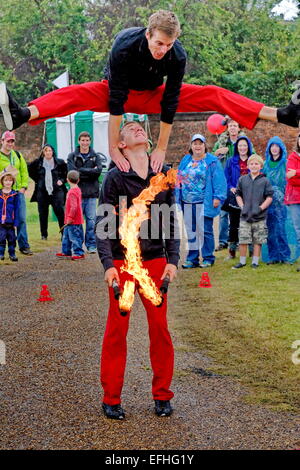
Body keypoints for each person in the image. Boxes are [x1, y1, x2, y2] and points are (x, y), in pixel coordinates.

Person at [1, 10, 300, 174]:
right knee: (78, 93)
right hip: (118, 92)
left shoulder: (177, 55)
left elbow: (170, 103)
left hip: (156, 95)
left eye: (168, 45)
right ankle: (23, 113)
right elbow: (116, 102)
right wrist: (115, 146)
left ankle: (283, 114)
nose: (162, 51)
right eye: (159, 44)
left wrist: (161, 148)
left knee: (212, 93)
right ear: (148, 34)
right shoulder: (124, 46)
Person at [95, 121, 179, 420]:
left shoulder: (162, 173)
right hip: (123, 264)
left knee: (160, 330)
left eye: (140, 126)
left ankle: (162, 395)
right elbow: (103, 225)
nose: (137, 128)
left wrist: (173, 259)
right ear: (121, 144)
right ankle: (112, 398)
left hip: (155, 263)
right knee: (117, 331)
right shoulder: (115, 178)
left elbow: (170, 220)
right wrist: (107, 265)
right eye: (129, 128)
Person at [176, 133, 226, 268]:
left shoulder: (211, 161)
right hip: (187, 201)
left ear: (205, 146)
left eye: (200, 143)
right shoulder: (186, 160)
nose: (197, 146)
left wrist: (218, 197)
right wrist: (177, 196)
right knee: (191, 231)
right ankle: (192, 259)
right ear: (191, 146)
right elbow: (178, 178)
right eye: (195, 143)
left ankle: (208, 257)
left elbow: (219, 180)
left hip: (204, 201)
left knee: (205, 230)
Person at [213, 119, 249, 251]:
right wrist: (218, 152)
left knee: (239, 212)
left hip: (240, 182)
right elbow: (212, 156)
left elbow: (253, 156)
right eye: (230, 126)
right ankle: (223, 241)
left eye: (235, 125)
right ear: (227, 128)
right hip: (223, 181)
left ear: (239, 128)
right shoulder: (221, 142)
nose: (233, 128)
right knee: (223, 213)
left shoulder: (244, 142)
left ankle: (239, 240)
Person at [232, 154, 273, 269]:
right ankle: (242, 261)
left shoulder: (265, 181)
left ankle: (255, 262)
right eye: (251, 164)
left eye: (256, 164)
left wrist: (260, 208)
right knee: (243, 239)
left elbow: (269, 197)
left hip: (259, 216)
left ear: (260, 166)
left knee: (257, 240)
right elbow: (238, 194)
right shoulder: (242, 179)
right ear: (248, 166)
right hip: (245, 216)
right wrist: (242, 206)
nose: (254, 166)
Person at [67, 131, 102, 254]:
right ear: (79, 141)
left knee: (91, 221)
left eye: (87, 140)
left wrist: (81, 171)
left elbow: (98, 172)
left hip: (92, 193)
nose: (85, 143)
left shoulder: (96, 156)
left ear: (90, 141)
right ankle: (77, 245)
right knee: (77, 221)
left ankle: (91, 244)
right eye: (83, 140)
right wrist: (90, 171)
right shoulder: (72, 156)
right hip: (77, 194)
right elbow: (73, 173)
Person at [0, 131, 32, 255]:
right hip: (3, 194)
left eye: (12, 141)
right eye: (8, 141)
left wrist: (24, 187)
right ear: (2, 141)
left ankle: (24, 246)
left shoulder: (17, 155)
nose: (10, 143)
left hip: (18, 193)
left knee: (21, 219)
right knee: (2, 221)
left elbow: (24, 172)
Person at [262, 136, 292, 264]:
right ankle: (273, 256)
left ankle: (284, 255)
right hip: (269, 202)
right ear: (269, 149)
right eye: (272, 146)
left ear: (281, 148)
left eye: (277, 146)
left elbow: (289, 181)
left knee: (281, 229)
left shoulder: (286, 163)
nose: (274, 149)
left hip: (282, 202)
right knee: (270, 229)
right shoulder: (266, 164)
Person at [28, 144, 67, 240]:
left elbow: (66, 173)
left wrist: (62, 180)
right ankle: (44, 235)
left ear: (53, 152)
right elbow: (29, 170)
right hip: (42, 192)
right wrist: (38, 180)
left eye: (50, 150)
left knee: (60, 212)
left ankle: (64, 233)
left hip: (57, 191)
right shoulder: (38, 163)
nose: (48, 152)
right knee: (43, 214)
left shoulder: (60, 162)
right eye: (46, 151)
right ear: (43, 152)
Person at [224, 136, 254, 259]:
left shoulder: (252, 160)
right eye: (240, 145)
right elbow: (226, 177)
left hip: (251, 196)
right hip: (235, 196)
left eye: (245, 145)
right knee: (234, 224)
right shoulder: (231, 161)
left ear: (248, 147)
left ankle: (252, 252)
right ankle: (232, 251)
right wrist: (230, 187)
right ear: (237, 147)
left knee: (251, 223)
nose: (242, 148)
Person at [56, 170, 85, 261]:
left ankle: (79, 253)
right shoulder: (77, 190)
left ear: (67, 180)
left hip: (73, 221)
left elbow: (74, 207)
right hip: (71, 221)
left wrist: (70, 217)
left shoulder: (72, 192)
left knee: (74, 237)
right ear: (78, 180)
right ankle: (66, 252)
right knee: (66, 237)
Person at [284, 133, 300, 271]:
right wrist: (293, 174)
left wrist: (297, 172)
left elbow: (295, 176)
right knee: (298, 230)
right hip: (295, 198)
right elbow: (290, 179)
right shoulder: (292, 157)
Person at [0, 168, 19, 261]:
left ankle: (12, 254)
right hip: (1, 222)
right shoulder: (0, 193)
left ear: (13, 182)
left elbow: (17, 209)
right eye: (6, 180)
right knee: (1, 238)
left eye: (10, 180)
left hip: (11, 222)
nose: (8, 182)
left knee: (12, 239)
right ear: (2, 181)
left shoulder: (15, 194)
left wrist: (16, 223)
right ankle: (1, 254)